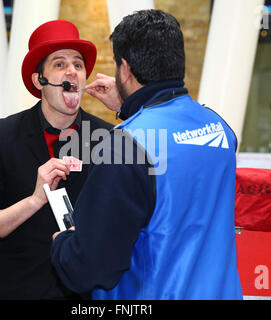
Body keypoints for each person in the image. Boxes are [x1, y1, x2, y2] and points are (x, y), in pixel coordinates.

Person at [51, 9, 243, 299]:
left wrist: (62, 244)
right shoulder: (220, 129)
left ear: (124, 69)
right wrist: (130, 107)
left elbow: (89, 268)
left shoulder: (123, 148)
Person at [0, 20, 112, 300]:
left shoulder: (107, 137)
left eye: (78, 65)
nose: (72, 71)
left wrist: (126, 106)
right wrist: (34, 200)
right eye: (59, 63)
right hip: (16, 290)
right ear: (38, 80)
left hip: (82, 295)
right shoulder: (1, 136)